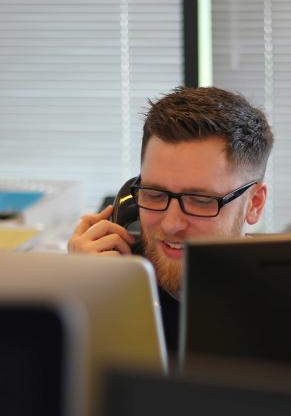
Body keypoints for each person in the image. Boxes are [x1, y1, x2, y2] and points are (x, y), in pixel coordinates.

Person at [68, 86, 274, 352]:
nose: (170, 224)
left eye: (200, 201)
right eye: (154, 194)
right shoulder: (107, 284)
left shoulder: (290, 310)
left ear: (254, 204)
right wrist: (77, 296)